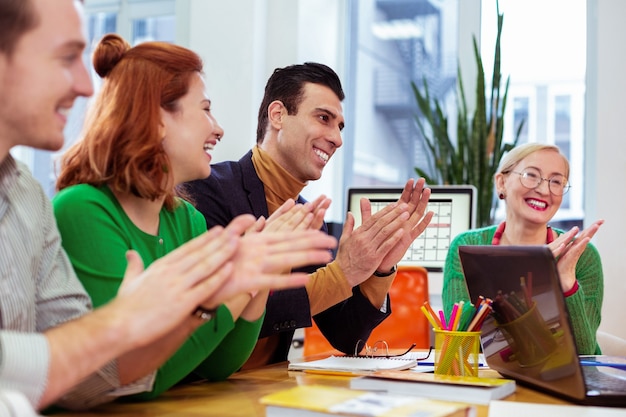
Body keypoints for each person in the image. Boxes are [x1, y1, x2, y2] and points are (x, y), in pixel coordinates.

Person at [0, 0, 335, 413]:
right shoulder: (80, 208)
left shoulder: (28, 197)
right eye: (206, 109)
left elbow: (204, 365)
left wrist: (251, 279)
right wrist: (213, 296)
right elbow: (114, 377)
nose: (218, 129)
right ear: (156, 119)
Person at [184, 62, 434, 367]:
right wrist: (341, 275)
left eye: (339, 126)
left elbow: (347, 336)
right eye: (324, 118)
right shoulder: (208, 189)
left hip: (266, 388)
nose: (337, 139)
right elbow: (221, 320)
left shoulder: (311, 218)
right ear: (278, 115)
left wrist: (378, 271)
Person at [442, 142, 604, 354]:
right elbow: (459, 342)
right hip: (489, 380)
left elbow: (585, 354)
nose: (544, 189)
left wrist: (566, 284)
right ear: (501, 182)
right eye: (531, 175)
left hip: (559, 382)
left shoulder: (582, 255)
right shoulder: (467, 247)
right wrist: (527, 273)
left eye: (556, 181)